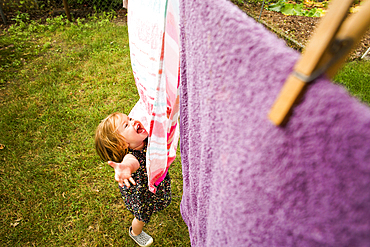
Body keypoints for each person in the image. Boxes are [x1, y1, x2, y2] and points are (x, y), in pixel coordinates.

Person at [95, 112, 171, 247]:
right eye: (126, 125)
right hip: (141, 194)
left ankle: (157, 204)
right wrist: (126, 167)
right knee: (141, 217)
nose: (133, 121)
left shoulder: (146, 139)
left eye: (129, 119)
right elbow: (131, 162)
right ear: (122, 144)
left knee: (158, 199)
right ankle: (135, 232)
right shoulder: (132, 156)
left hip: (154, 183)